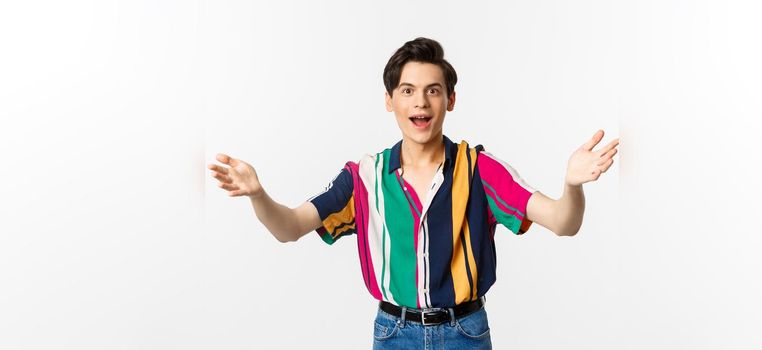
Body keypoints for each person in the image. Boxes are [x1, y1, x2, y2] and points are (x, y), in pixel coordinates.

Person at [207, 37, 619, 350]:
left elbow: (564, 223)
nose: (420, 102)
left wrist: (571, 184)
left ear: (450, 100)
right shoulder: (363, 177)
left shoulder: (481, 170)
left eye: (433, 90)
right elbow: (290, 227)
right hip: (393, 333)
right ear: (390, 100)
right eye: (407, 90)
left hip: (466, 333)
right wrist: (258, 194)